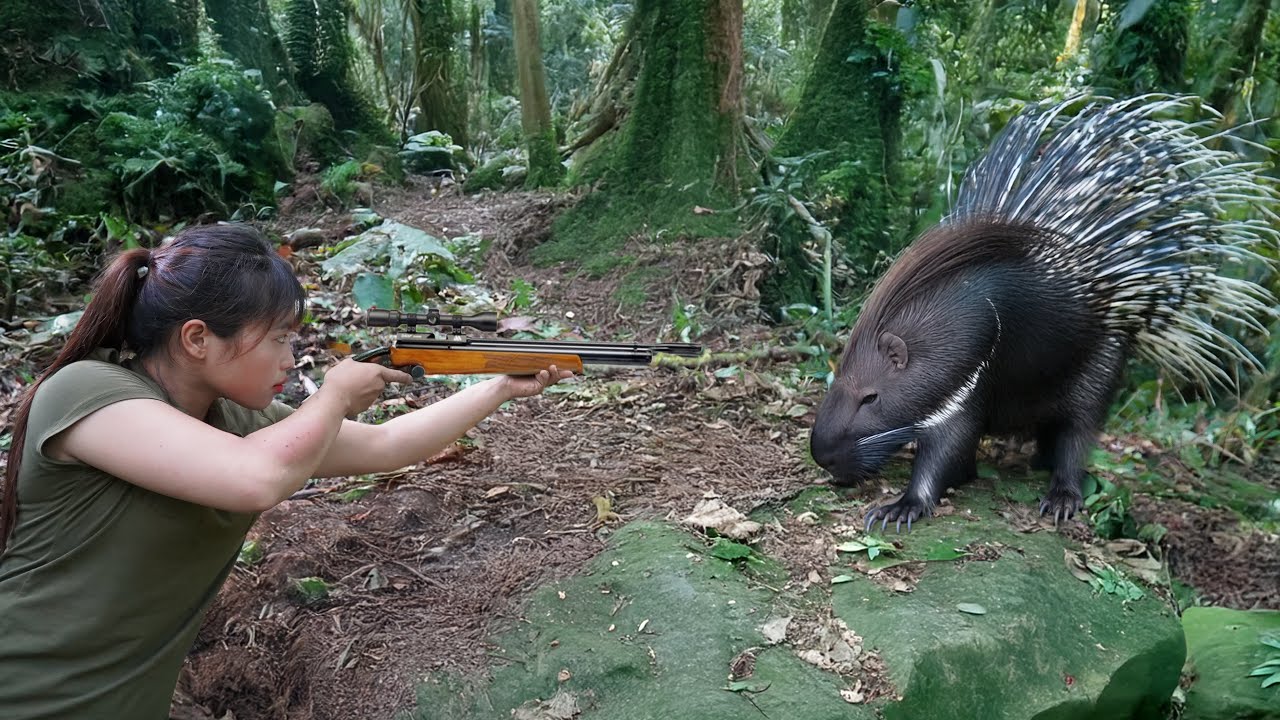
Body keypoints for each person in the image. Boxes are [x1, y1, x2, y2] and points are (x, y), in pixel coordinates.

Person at [0, 223, 572, 718]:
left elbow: (389, 444)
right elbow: (257, 479)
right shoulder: (87, 391)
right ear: (197, 338)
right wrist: (334, 397)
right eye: (277, 339)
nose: (289, 358)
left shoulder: (234, 417)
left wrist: (499, 386)